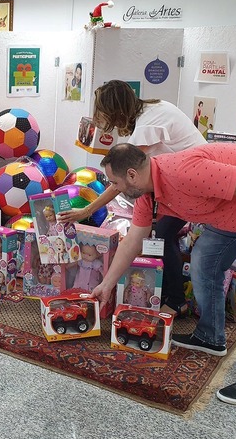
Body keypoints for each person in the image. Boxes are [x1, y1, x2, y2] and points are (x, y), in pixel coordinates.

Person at [90, 143, 236, 405]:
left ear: (131, 175)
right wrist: (107, 283)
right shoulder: (148, 196)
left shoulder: (183, 172)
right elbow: (132, 242)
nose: (114, 189)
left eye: (115, 182)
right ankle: (210, 336)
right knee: (203, 261)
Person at [58, 80, 206, 317]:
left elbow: (121, 181)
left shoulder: (146, 126)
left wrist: (87, 211)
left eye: (102, 111)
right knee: (162, 232)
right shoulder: (154, 109)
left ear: (115, 109)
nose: (100, 118)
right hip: (185, 182)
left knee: (164, 234)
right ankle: (173, 296)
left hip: (196, 182)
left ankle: (177, 300)